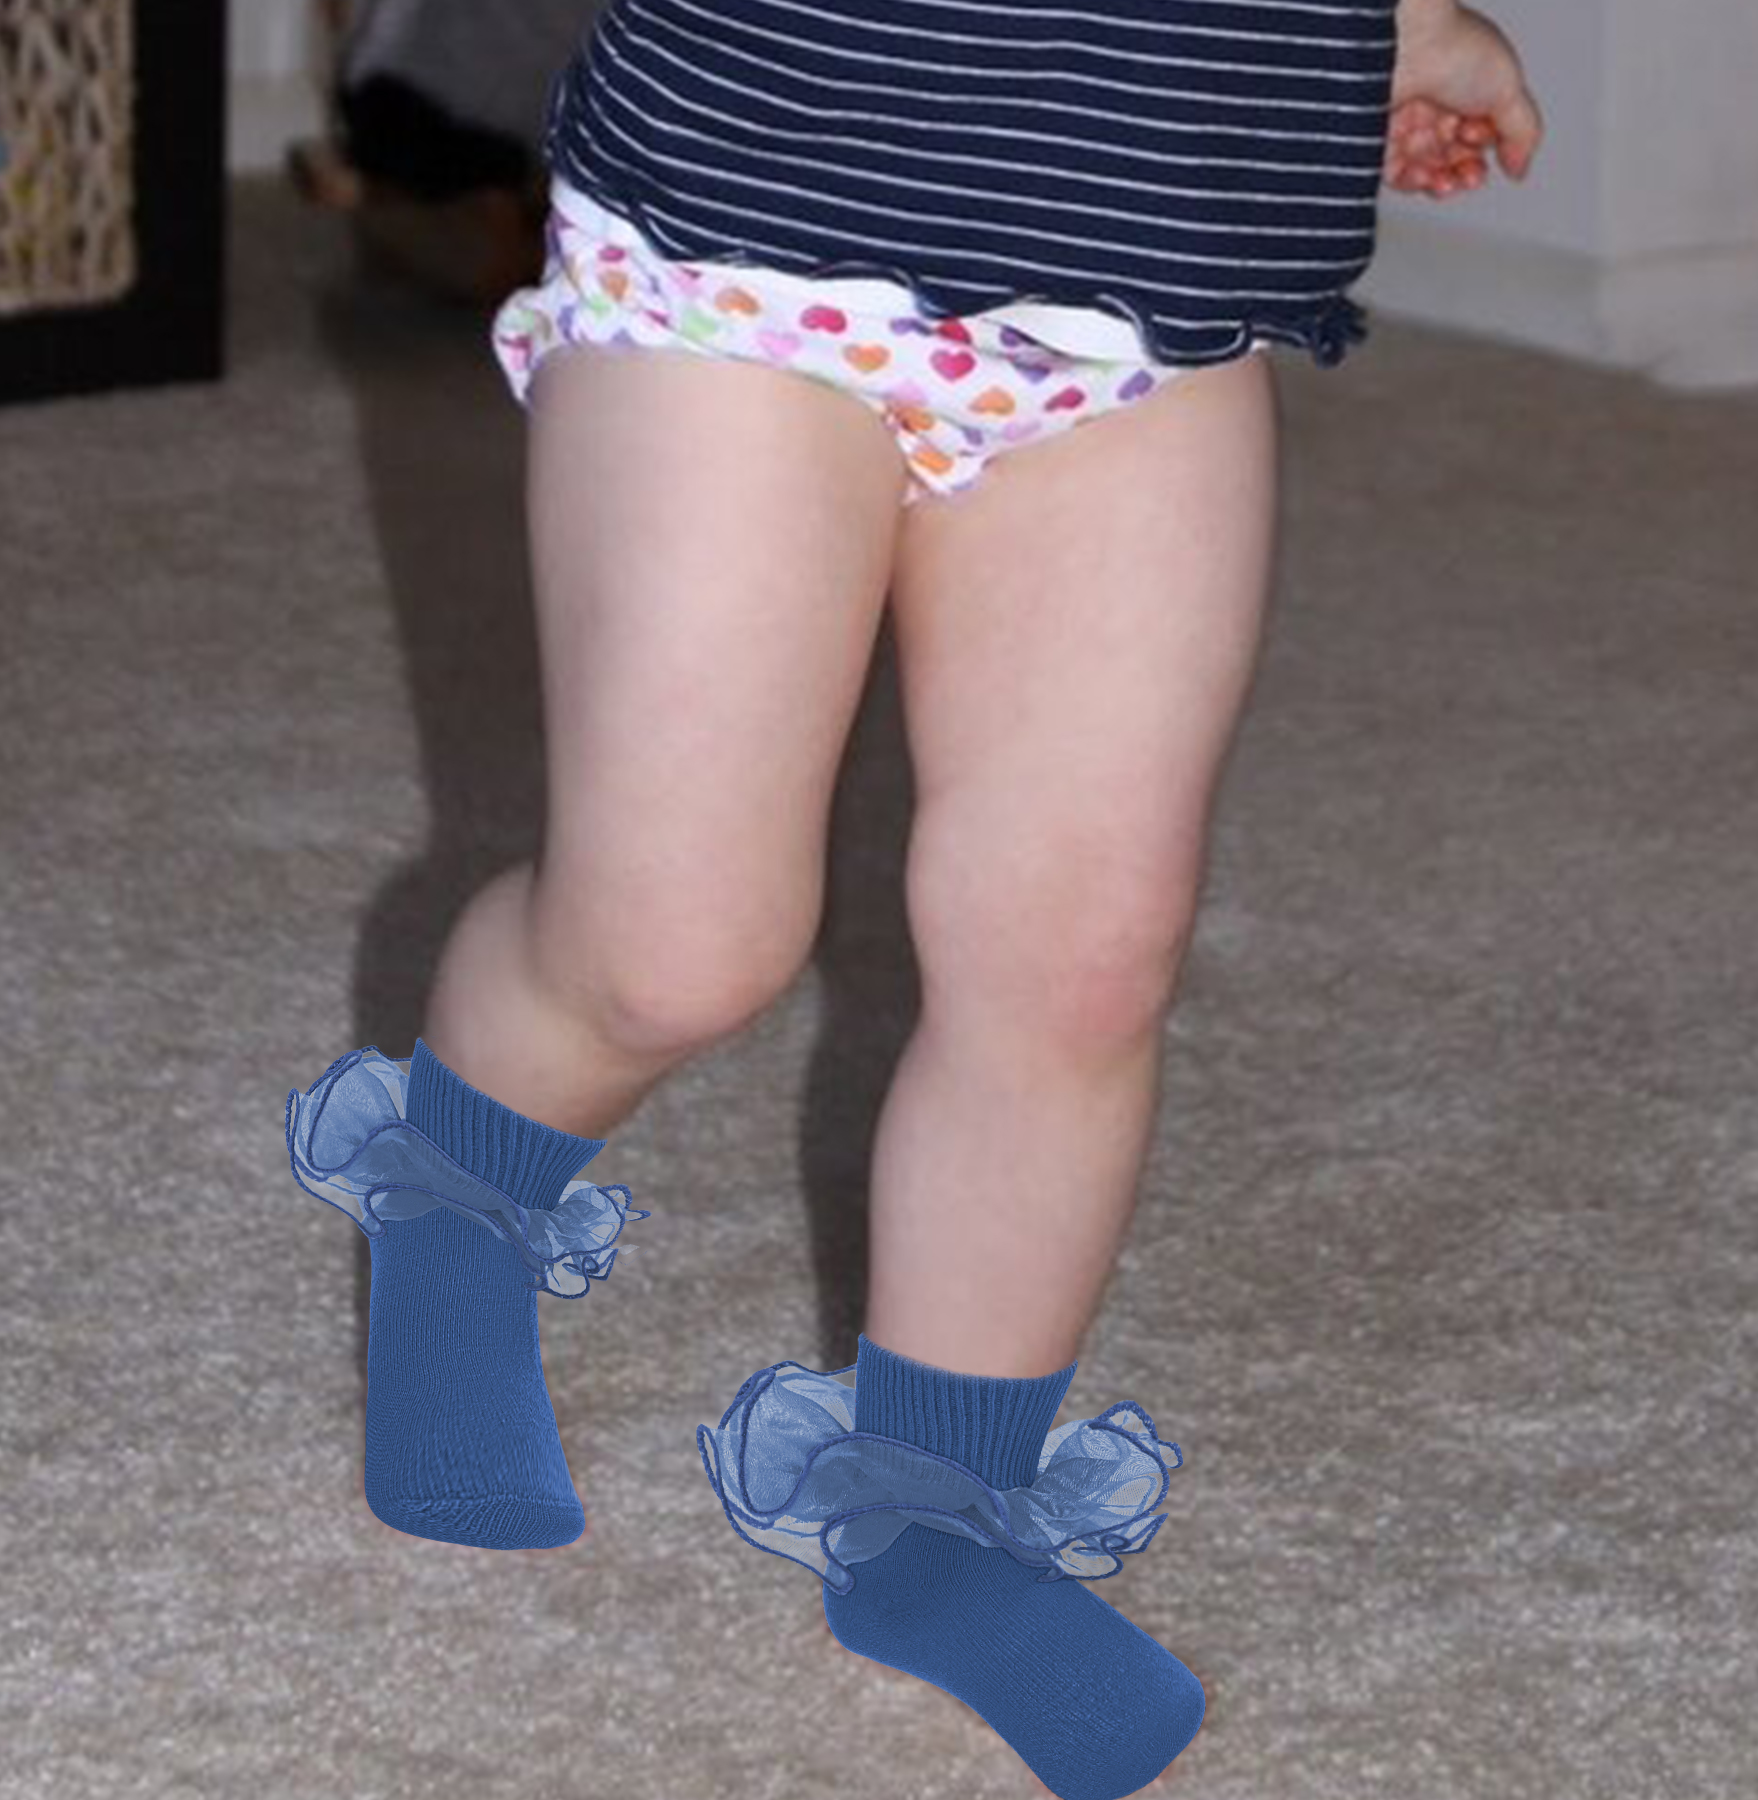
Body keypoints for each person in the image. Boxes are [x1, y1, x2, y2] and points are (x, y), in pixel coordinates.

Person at [287, 3, 1542, 1796]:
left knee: (1081, 953)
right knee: (674, 942)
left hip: (1156, 278)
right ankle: (459, 1187)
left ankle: (938, 1511)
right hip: (757, 221)